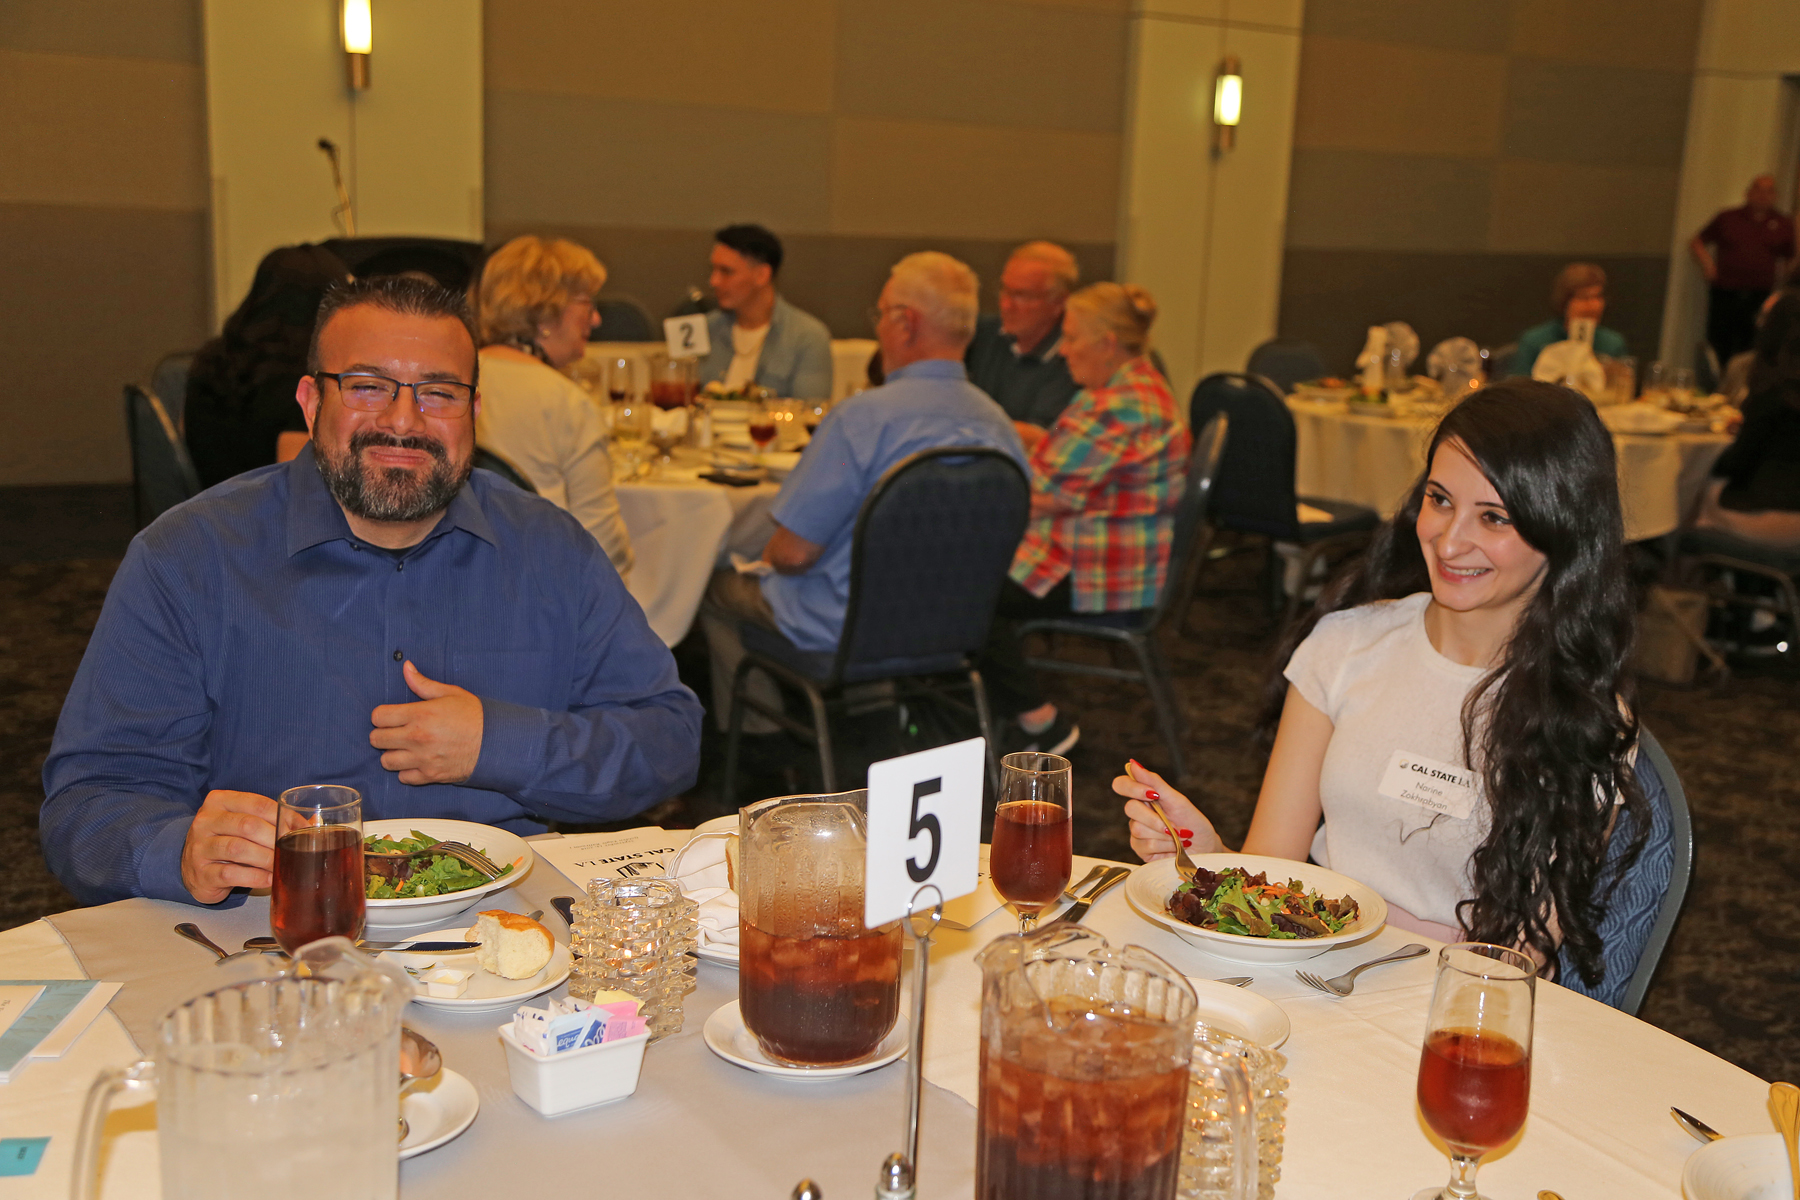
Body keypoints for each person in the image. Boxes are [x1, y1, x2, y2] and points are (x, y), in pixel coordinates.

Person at [42, 276, 702, 907]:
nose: (403, 420)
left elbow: (669, 741)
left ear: (475, 412)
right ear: (309, 402)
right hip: (271, 937)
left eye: (439, 393)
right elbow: (89, 803)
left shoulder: (549, 552)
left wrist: (499, 747)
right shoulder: (191, 558)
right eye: (366, 386)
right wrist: (179, 849)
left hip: (508, 938)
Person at [1116, 380, 1664, 1006]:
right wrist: (1206, 857)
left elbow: (1518, 959)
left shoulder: (1582, 715)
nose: (1450, 540)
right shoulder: (1347, 645)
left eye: (1494, 517)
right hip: (1309, 968)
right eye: (1439, 500)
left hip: (1455, 1003)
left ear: (1561, 527)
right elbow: (1276, 870)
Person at [698, 252, 1026, 730]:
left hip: (839, 631)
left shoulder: (862, 422)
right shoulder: (1000, 429)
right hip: (953, 629)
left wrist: (758, 556)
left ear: (904, 323)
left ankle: (757, 743)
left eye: (879, 314)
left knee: (711, 586)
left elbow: (791, 555)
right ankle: (871, 719)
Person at [982, 283, 1190, 756]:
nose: (1066, 350)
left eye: (1073, 338)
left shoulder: (1117, 407)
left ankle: (1042, 723)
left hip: (1098, 569)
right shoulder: (1133, 386)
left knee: (967, 595)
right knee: (965, 577)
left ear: (1108, 344)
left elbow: (1036, 494)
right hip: (1096, 547)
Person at [469, 235, 633, 579]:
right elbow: (602, 548)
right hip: (539, 591)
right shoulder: (567, 404)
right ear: (546, 311)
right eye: (587, 303)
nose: (597, 319)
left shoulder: (452, 380)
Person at [184, 244, 351, 488]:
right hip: (264, 519)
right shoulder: (299, 387)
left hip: (213, 509)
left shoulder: (210, 361)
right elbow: (302, 488)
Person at [1695, 286, 1800, 550]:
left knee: (1692, 495)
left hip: (1776, 516)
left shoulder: (1774, 394)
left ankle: (1677, 582)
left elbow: (1736, 464)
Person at [696, 224, 832, 399]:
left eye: (726, 272)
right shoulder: (706, 328)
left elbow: (811, 414)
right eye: (713, 270)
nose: (713, 281)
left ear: (762, 275)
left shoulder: (807, 337)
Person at [964, 241, 1081, 436]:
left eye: (1022, 296)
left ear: (1059, 301)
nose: (1006, 305)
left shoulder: (1074, 356)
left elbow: (1043, 437)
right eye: (1004, 290)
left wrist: (965, 423)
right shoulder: (982, 334)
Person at [1691, 174, 1796, 364]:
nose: (1763, 195)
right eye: (1759, 190)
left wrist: (1784, 289)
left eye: (1769, 191)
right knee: (1719, 343)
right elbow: (1697, 241)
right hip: (1726, 293)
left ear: (1775, 196)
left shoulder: (1783, 223)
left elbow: (1790, 258)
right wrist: (1708, 265)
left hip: (1760, 295)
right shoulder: (1728, 217)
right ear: (1748, 193)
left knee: (1751, 345)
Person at [1508, 262, 1628, 377]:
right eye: (1584, 298)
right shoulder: (1534, 341)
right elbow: (1520, 389)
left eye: (1597, 297)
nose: (1593, 305)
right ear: (1565, 302)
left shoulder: (1612, 344)